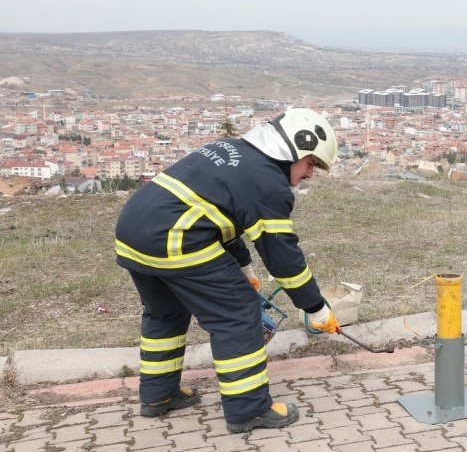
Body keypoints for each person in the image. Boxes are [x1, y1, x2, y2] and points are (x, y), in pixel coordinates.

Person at [114, 107, 340, 433]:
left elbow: (216, 215)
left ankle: (159, 395)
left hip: (134, 231)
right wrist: (315, 307)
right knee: (238, 315)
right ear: (293, 149)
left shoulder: (234, 150)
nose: (311, 174)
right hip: (174, 239)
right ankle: (249, 409)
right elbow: (283, 258)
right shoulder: (269, 184)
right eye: (311, 163)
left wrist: (244, 268)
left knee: (165, 312)